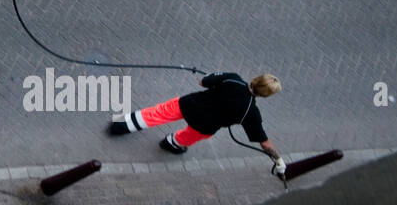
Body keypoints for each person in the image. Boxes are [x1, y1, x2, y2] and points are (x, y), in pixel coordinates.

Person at [110, 72, 286, 175]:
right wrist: (277, 159)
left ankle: (120, 126)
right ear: (265, 95)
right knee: (186, 138)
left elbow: (203, 81)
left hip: (190, 105)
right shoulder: (251, 112)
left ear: (257, 79)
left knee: (155, 114)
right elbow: (264, 141)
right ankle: (170, 143)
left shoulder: (233, 78)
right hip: (205, 126)